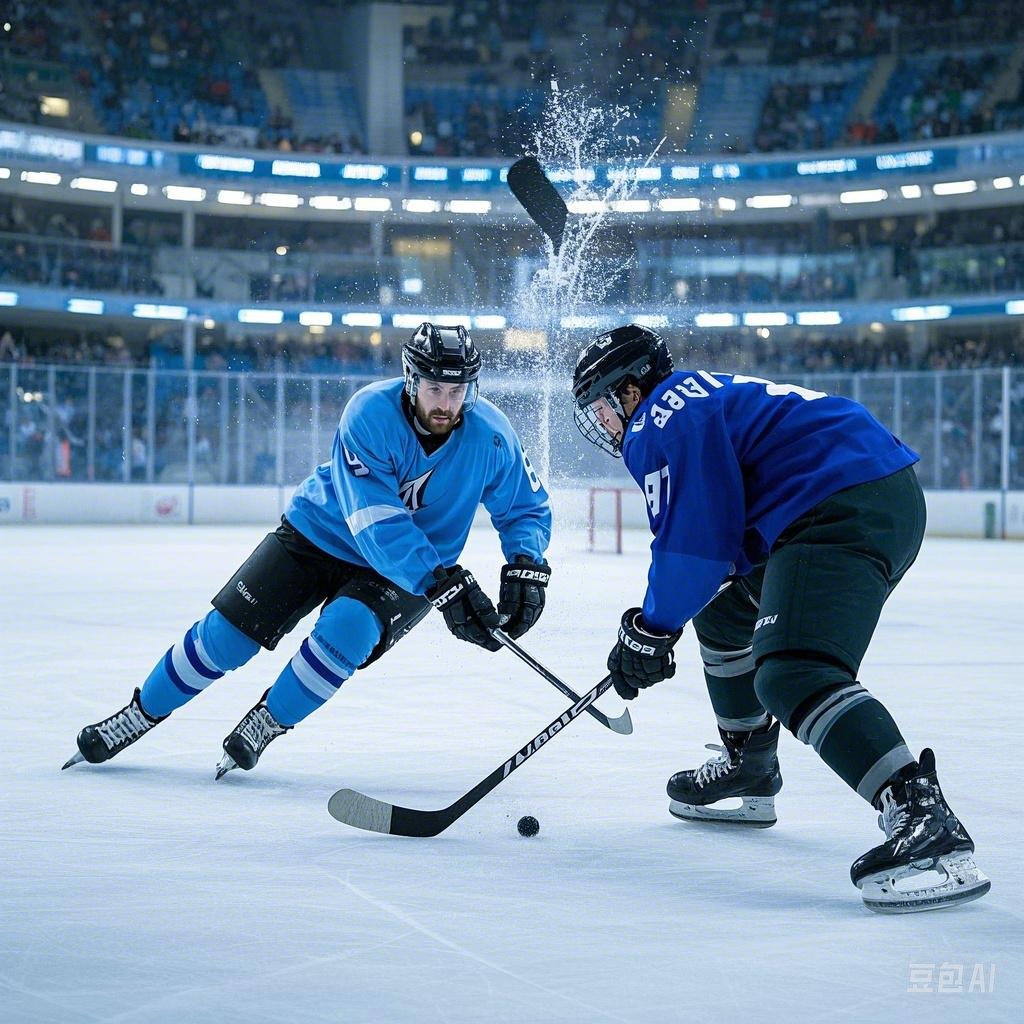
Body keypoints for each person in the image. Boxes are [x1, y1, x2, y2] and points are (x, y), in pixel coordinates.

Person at [571, 324, 989, 914]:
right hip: (864, 491)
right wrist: (660, 625)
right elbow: (721, 546)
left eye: (602, 406)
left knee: (793, 671)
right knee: (723, 611)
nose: (605, 424)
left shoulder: (659, 418)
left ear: (630, 390)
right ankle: (750, 763)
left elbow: (693, 544)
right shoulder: (697, 397)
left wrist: (651, 629)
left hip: (839, 504)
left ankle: (922, 814)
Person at [63, 324, 551, 778]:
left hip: (412, 569)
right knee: (229, 637)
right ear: (410, 379)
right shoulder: (369, 413)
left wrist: (526, 566)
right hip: (326, 533)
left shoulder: (491, 434)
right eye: (434, 389)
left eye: (457, 391)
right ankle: (140, 712)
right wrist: (439, 585)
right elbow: (375, 521)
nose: (446, 403)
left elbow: (525, 508)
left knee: (348, 630)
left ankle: (267, 721)